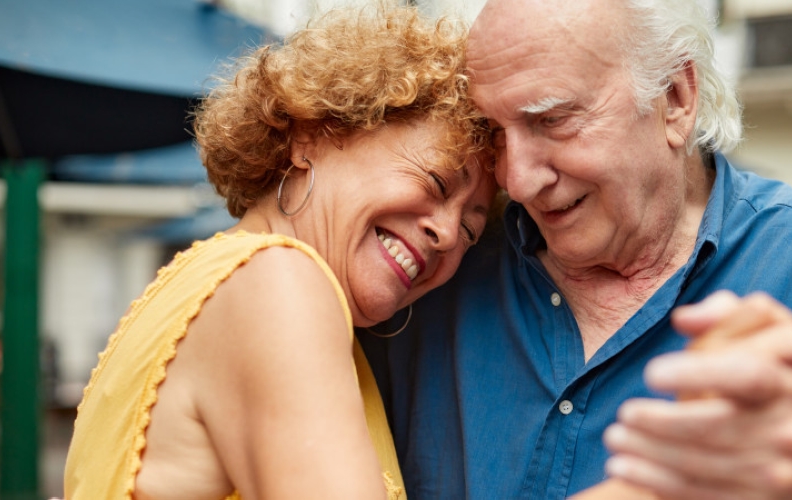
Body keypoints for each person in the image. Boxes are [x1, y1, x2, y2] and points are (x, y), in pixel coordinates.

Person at [358, 0, 792, 498]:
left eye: (551, 119)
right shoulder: (443, 261)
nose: (517, 179)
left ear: (675, 99)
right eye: (495, 132)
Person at [62, 6, 496, 499]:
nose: (446, 233)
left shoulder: (215, 280)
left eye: (470, 230)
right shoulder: (277, 282)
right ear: (314, 136)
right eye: (437, 181)